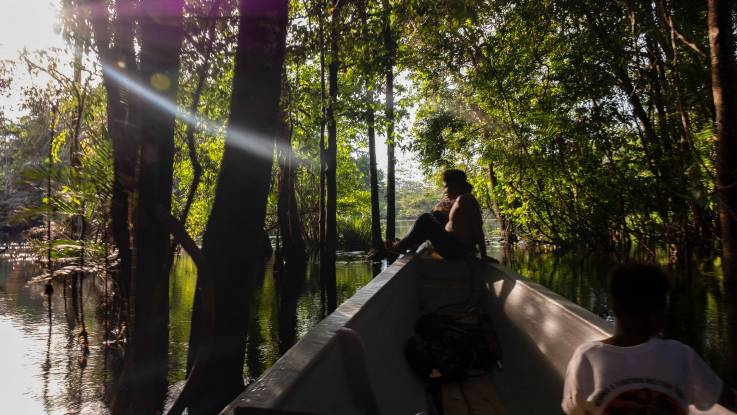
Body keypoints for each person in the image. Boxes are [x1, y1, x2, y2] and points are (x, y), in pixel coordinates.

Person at [562, 263, 736, 415]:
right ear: (660, 310)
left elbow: (575, 410)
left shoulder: (586, 356)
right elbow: (727, 398)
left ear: (614, 307)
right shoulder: (682, 355)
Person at [386, 169, 491, 261]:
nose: (445, 190)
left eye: (446, 186)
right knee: (435, 215)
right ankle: (411, 243)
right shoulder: (461, 199)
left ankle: (400, 247)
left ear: (455, 185)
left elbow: (477, 227)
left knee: (425, 218)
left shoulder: (465, 199)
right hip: (456, 247)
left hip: (458, 251)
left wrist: (483, 255)